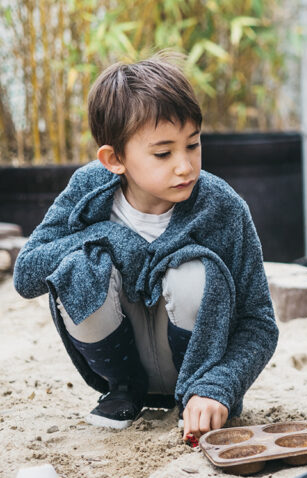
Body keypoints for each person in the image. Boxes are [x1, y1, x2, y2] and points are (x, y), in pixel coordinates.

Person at [14, 56, 278, 438]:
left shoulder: (222, 208)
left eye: (193, 145)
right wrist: (107, 236)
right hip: (123, 360)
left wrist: (218, 386)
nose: (185, 166)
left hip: (201, 375)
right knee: (82, 264)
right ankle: (124, 390)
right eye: (163, 153)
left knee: (193, 269)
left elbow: (260, 322)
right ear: (115, 159)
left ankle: (195, 392)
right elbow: (27, 274)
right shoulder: (90, 190)